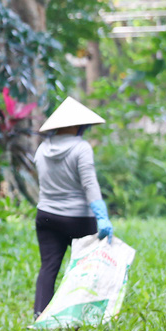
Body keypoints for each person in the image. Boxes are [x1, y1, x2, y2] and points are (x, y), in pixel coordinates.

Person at [33, 96, 114, 316]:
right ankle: (81, 316)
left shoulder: (42, 149)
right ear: (78, 125)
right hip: (78, 219)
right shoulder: (81, 148)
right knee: (85, 270)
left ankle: (40, 315)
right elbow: (89, 184)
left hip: (47, 216)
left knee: (48, 268)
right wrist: (102, 216)